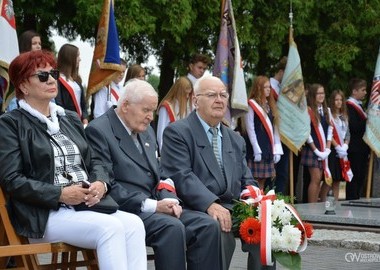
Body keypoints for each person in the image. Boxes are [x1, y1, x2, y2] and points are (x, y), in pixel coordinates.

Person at [0, 50, 147, 270]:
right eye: (42, 76)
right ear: (23, 86)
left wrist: (100, 183)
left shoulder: (68, 118)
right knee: (110, 228)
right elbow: (12, 180)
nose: (51, 79)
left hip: (84, 206)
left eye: (54, 74)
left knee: (135, 224)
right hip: (42, 214)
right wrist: (60, 194)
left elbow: (95, 159)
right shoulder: (10, 124)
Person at [85, 79, 220, 270]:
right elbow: (107, 184)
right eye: (146, 110)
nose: (150, 117)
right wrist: (153, 205)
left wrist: (170, 199)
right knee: (172, 228)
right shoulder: (99, 130)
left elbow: (161, 173)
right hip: (126, 209)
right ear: (125, 106)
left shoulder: (145, 129)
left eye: (153, 111)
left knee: (207, 225)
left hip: (156, 204)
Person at [160, 75, 259, 270]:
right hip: (196, 208)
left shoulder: (235, 138)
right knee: (219, 228)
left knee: (266, 228)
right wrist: (210, 204)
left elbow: (246, 177)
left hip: (231, 206)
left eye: (223, 95)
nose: (220, 100)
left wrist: (255, 202)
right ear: (196, 101)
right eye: (212, 95)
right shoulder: (177, 132)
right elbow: (182, 175)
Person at [245, 75, 283, 190]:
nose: (268, 90)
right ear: (258, 88)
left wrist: (277, 149)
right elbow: (250, 127)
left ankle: (261, 205)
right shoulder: (252, 104)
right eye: (265, 87)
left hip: (267, 148)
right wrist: (256, 148)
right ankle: (254, 205)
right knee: (255, 180)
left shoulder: (270, 105)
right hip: (257, 147)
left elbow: (274, 128)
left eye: (269, 87)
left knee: (263, 179)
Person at [301, 83, 333, 203]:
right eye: (319, 93)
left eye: (323, 93)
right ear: (313, 95)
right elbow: (306, 132)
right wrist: (315, 150)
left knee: (322, 179)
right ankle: (312, 206)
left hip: (324, 148)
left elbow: (330, 129)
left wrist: (328, 148)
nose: (321, 96)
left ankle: (317, 204)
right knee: (316, 178)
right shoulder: (308, 111)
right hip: (312, 149)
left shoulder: (327, 110)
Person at [321, 90, 351, 201]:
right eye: (336, 100)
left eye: (341, 100)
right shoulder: (329, 115)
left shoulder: (345, 116)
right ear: (332, 101)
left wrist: (345, 146)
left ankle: (336, 204)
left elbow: (348, 133)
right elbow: (329, 133)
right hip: (333, 150)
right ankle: (322, 202)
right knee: (329, 179)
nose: (339, 102)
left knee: (338, 180)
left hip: (342, 151)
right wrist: (337, 146)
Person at [6, 30, 43, 112]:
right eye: (34, 44)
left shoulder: (44, 66)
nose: (38, 46)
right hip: (20, 103)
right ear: (26, 45)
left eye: (39, 43)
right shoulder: (17, 65)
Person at [346, 78, 369, 200]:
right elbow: (354, 126)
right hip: (354, 148)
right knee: (354, 177)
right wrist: (368, 122)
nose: (365, 92)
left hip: (362, 148)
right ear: (354, 91)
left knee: (360, 176)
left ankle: (356, 198)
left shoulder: (359, 106)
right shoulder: (350, 106)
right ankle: (351, 200)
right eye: (363, 90)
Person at [156, 76, 193, 150]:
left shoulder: (188, 106)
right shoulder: (166, 107)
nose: (187, 96)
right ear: (179, 91)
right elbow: (161, 133)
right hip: (170, 148)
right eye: (185, 93)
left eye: (189, 94)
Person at [56, 44, 88, 125]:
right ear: (69, 58)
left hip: (80, 122)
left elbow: (83, 104)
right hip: (68, 123)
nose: (80, 59)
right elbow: (59, 104)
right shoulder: (57, 79)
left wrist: (85, 118)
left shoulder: (77, 80)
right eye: (77, 56)